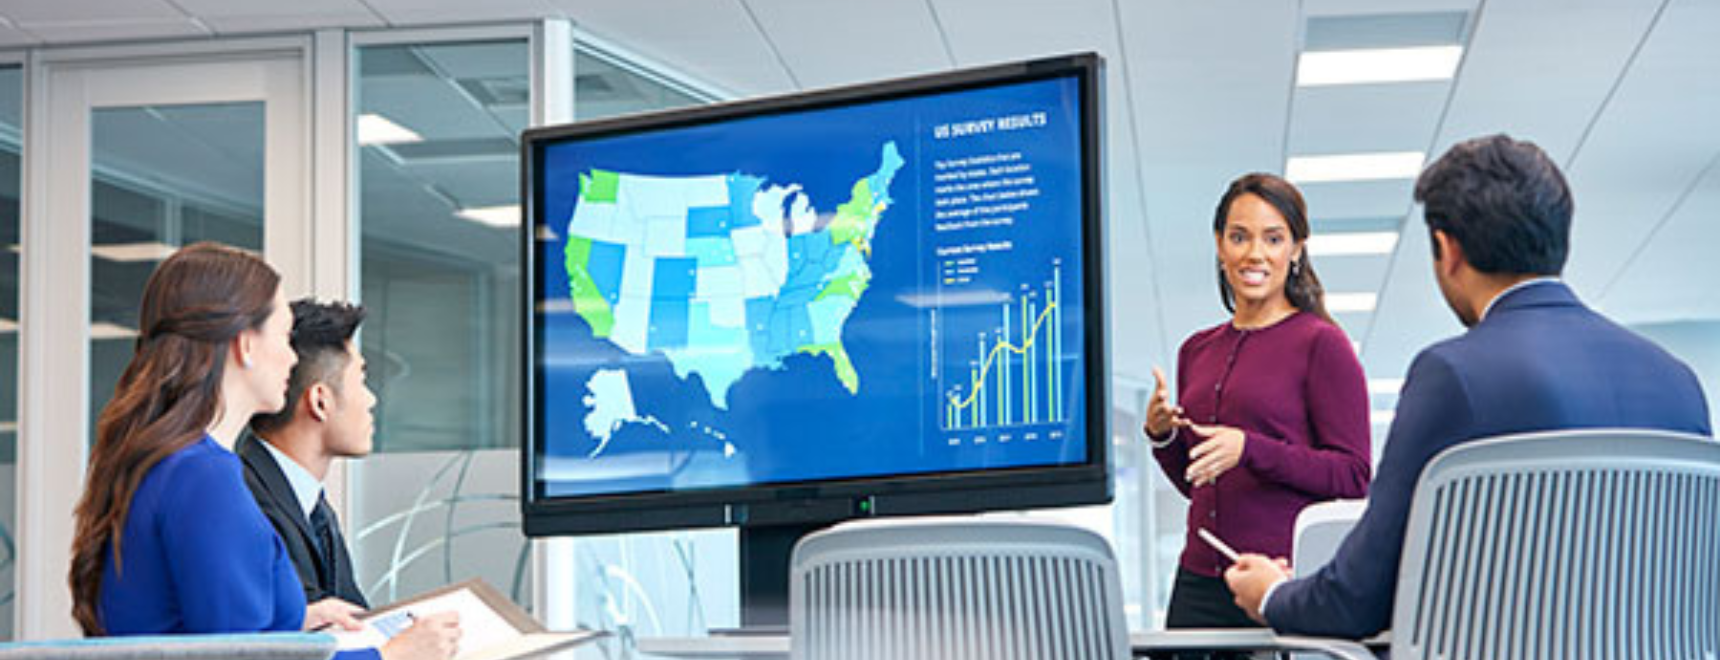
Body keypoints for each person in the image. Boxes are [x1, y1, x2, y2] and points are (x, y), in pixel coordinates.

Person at [1224, 134, 1713, 638]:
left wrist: (1272, 594)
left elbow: (1356, 600)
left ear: (1446, 249)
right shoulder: (1678, 381)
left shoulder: (1453, 375)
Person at [68, 243, 460, 660]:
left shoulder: (168, 463)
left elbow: (209, 632)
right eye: (285, 336)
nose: (293, 358)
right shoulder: (205, 475)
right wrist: (395, 656)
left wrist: (295, 621)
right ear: (245, 345)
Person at [1144, 173, 1372, 629]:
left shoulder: (1321, 344)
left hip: (1277, 583)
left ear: (1297, 249)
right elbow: (1200, 483)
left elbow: (1353, 477)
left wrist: (1250, 449)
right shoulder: (1196, 349)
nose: (1255, 253)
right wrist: (1163, 436)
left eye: (1273, 238)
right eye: (1239, 236)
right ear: (1219, 245)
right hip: (1196, 581)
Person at [241, 299, 374, 608]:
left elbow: (352, 616)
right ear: (320, 401)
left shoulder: (313, 508)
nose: (371, 400)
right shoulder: (246, 498)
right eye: (363, 380)